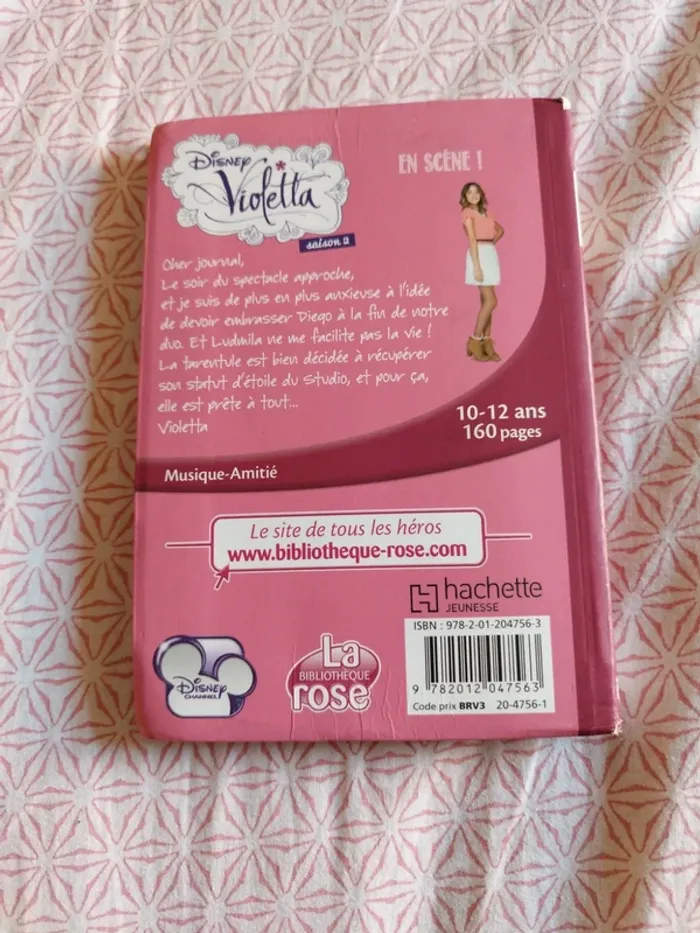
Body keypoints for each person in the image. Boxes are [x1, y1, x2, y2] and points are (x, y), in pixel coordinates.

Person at [460, 182, 504, 362]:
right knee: (491, 301)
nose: (473, 195)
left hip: (489, 253)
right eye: (469, 192)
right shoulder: (467, 213)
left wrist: (490, 243)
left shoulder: (487, 214)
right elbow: (472, 238)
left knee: (486, 302)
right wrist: (476, 266)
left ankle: (487, 343)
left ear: (481, 194)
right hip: (477, 254)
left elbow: (500, 231)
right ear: (465, 196)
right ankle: (475, 340)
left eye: (476, 192)